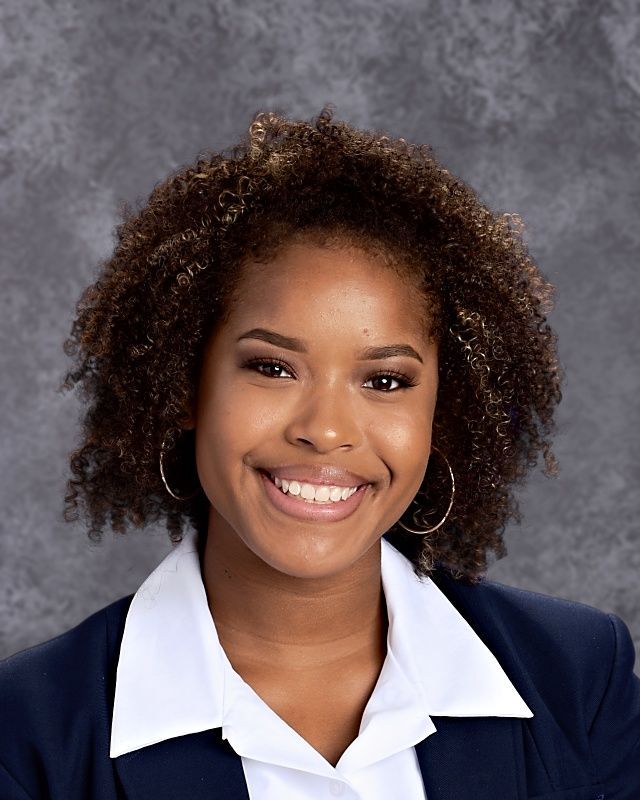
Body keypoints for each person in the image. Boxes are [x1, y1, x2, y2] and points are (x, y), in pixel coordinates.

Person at [1, 107, 638, 799]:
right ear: (187, 383)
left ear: (441, 413)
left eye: (385, 380)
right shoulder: (28, 736)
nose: (327, 430)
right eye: (273, 368)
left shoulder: (576, 678)